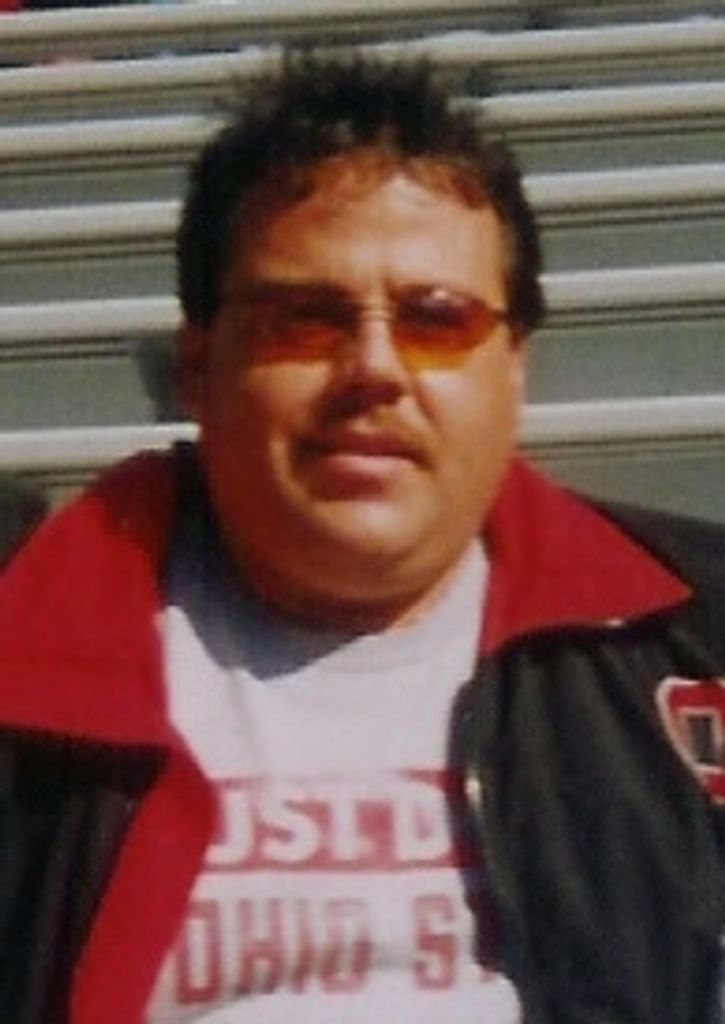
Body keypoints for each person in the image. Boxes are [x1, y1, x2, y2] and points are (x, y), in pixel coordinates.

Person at [1, 56, 725, 1024]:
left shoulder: (694, 639)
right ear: (195, 366)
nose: (374, 369)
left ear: (513, 369)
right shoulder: (23, 639)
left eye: (436, 321)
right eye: (302, 320)